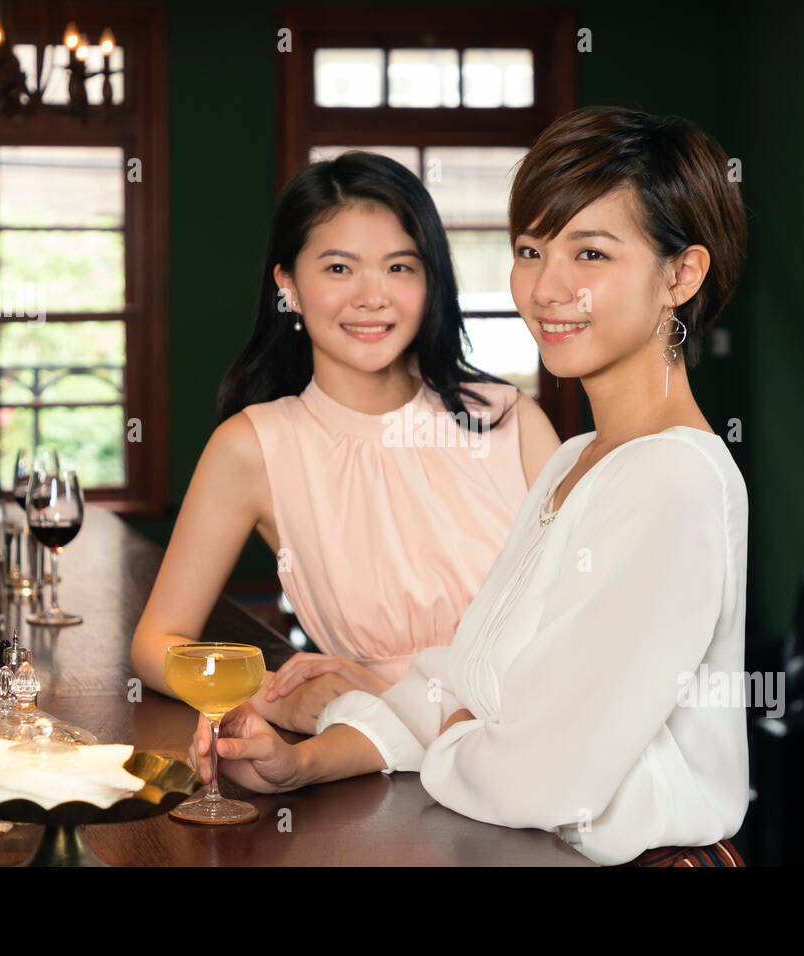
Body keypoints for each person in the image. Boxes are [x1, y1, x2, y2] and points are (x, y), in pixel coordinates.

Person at [190, 106, 751, 867]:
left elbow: (540, 776)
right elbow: (462, 678)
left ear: (680, 275)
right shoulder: (574, 459)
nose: (547, 288)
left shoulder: (675, 479)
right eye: (530, 249)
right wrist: (303, 765)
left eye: (590, 254)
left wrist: (459, 726)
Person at [131, 151, 560, 735]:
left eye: (400, 267)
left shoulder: (511, 420)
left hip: (541, 744)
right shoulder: (255, 446)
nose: (372, 296)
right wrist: (266, 694)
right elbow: (156, 643)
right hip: (386, 769)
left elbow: (583, 622)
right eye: (338, 269)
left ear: (430, 280)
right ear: (288, 285)